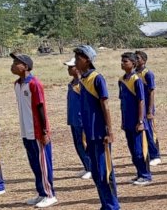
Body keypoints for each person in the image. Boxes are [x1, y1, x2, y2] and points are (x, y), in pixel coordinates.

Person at [73, 45, 120, 210]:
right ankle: (105, 203)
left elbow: (105, 105)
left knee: (104, 171)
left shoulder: (97, 78)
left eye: (79, 59)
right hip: (90, 133)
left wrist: (109, 131)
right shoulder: (83, 79)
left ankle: (112, 205)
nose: (76, 62)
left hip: (100, 133)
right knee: (95, 172)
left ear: (88, 60)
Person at [10, 53, 57, 208]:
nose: (13, 65)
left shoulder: (34, 84)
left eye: (17, 62)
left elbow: (40, 107)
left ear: (26, 67)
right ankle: (41, 192)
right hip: (26, 131)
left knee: (43, 164)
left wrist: (44, 131)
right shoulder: (17, 84)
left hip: (37, 132)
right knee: (34, 164)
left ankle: (50, 194)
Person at [118, 52, 152, 185]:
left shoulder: (136, 80)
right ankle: (139, 173)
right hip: (127, 120)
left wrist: (141, 120)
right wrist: (122, 120)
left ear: (133, 63)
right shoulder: (121, 80)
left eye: (125, 61)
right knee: (132, 149)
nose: (122, 64)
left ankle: (146, 175)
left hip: (137, 121)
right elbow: (122, 102)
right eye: (122, 61)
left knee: (139, 150)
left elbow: (141, 101)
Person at [64, 57, 92, 179]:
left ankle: (91, 168)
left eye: (71, 67)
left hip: (82, 120)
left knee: (85, 144)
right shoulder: (72, 83)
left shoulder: (83, 83)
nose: (69, 70)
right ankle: (86, 166)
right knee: (78, 144)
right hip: (73, 119)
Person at [134, 51, 161, 165]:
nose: (136, 60)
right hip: (138, 108)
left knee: (150, 131)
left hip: (147, 108)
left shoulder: (147, 74)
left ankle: (156, 155)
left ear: (144, 61)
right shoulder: (134, 74)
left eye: (138, 58)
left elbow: (151, 92)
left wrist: (150, 110)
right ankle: (147, 153)